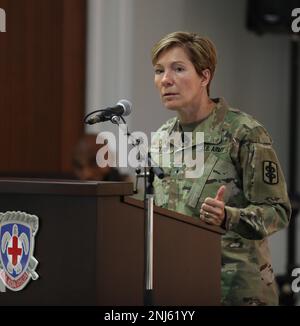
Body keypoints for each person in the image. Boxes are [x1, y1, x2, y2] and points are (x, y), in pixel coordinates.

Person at [150, 31, 291, 305]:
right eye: (159, 70)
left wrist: (228, 216)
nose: (165, 79)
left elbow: (278, 212)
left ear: (205, 77)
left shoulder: (245, 133)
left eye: (178, 69)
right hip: (179, 287)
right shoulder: (160, 139)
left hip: (236, 292)